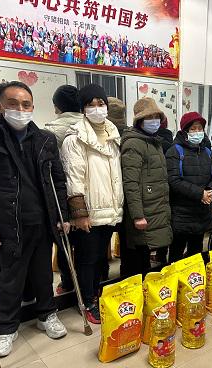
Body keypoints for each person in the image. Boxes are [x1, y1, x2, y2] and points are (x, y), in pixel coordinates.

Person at [0, 81, 68, 357]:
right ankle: (6, 328)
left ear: (32, 107)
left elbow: (57, 180)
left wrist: (62, 215)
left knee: (43, 273)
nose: (20, 109)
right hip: (4, 222)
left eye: (26, 104)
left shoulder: (44, 138)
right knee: (8, 278)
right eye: (13, 104)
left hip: (40, 220)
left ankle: (47, 314)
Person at [60, 84, 124, 324]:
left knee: (100, 258)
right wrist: (79, 213)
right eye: (91, 104)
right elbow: (73, 178)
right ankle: (86, 301)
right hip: (88, 212)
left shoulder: (112, 134)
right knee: (87, 259)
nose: (97, 109)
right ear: (83, 108)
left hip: (110, 209)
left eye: (101, 103)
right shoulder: (74, 138)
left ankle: (96, 294)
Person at [120, 97, 172, 276]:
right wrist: (137, 215)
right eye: (149, 118)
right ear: (139, 121)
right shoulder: (134, 143)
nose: (154, 122)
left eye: (157, 117)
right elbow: (130, 183)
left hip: (156, 207)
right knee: (138, 258)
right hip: (143, 211)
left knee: (146, 258)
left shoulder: (152, 141)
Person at [165, 112, 212, 263]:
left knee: (196, 251)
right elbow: (174, 180)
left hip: (202, 211)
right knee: (177, 252)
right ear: (185, 131)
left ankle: (193, 282)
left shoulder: (207, 151)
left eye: (200, 128)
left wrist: (210, 192)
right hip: (182, 213)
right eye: (193, 129)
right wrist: (199, 193)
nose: (198, 132)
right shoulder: (175, 151)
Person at [44, 85, 83, 295]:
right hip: (86, 194)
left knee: (64, 240)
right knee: (87, 240)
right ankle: (96, 277)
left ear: (57, 106)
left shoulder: (49, 130)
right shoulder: (89, 126)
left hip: (61, 194)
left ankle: (67, 282)